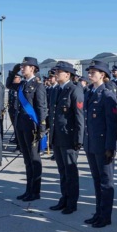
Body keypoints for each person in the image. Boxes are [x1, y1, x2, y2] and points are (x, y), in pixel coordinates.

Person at [6, 57, 47, 202]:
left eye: (25, 66)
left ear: (33, 68)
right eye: (21, 66)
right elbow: (8, 84)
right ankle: (28, 190)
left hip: (32, 127)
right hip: (21, 125)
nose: (22, 68)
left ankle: (35, 191)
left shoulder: (38, 85)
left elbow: (41, 108)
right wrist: (13, 72)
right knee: (27, 159)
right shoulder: (23, 84)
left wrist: (41, 128)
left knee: (34, 159)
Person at [83, 60, 117, 227]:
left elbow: (112, 124)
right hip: (91, 144)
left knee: (106, 182)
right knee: (97, 181)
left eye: (93, 72)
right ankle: (98, 212)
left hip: (103, 145)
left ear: (102, 74)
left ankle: (105, 216)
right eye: (89, 72)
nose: (89, 74)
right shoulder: (89, 92)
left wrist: (110, 147)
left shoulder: (107, 95)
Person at [48, 61, 84, 214]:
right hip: (57, 137)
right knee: (62, 171)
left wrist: (79, 139)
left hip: (69, 138)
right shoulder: (56, 90)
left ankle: (72, 202)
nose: (55, 74)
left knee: (70, 172)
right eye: (55, 72)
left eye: (58, 72)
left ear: (67, 74)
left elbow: (79, 117)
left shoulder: (74, 90)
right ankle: (64, 198)